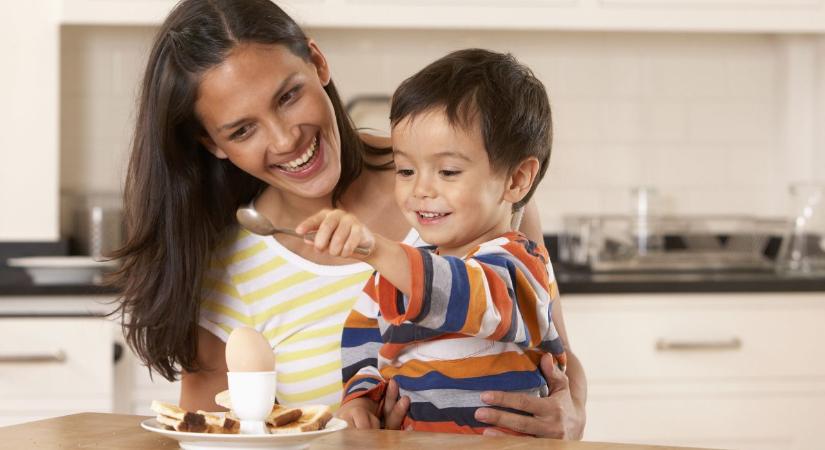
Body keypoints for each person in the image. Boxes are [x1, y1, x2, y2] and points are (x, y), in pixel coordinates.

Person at [112, 0, 586, 438]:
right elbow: (215, 439)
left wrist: (571, 416)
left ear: (317, 63)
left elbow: (554, 350)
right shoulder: (226, 272)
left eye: (288, 96)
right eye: (242, 129)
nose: (285, 139)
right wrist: (354, 423)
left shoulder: (474, 184)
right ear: (214, 144)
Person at [296, 49, 566, 435]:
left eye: (448, 171)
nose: (420, 189)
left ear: (517, 179)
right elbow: (364, 345)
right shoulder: (392, 278)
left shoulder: (521, 264)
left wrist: (378, 248)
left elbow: (471, 297)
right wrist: (359, 398)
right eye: (405, 170)